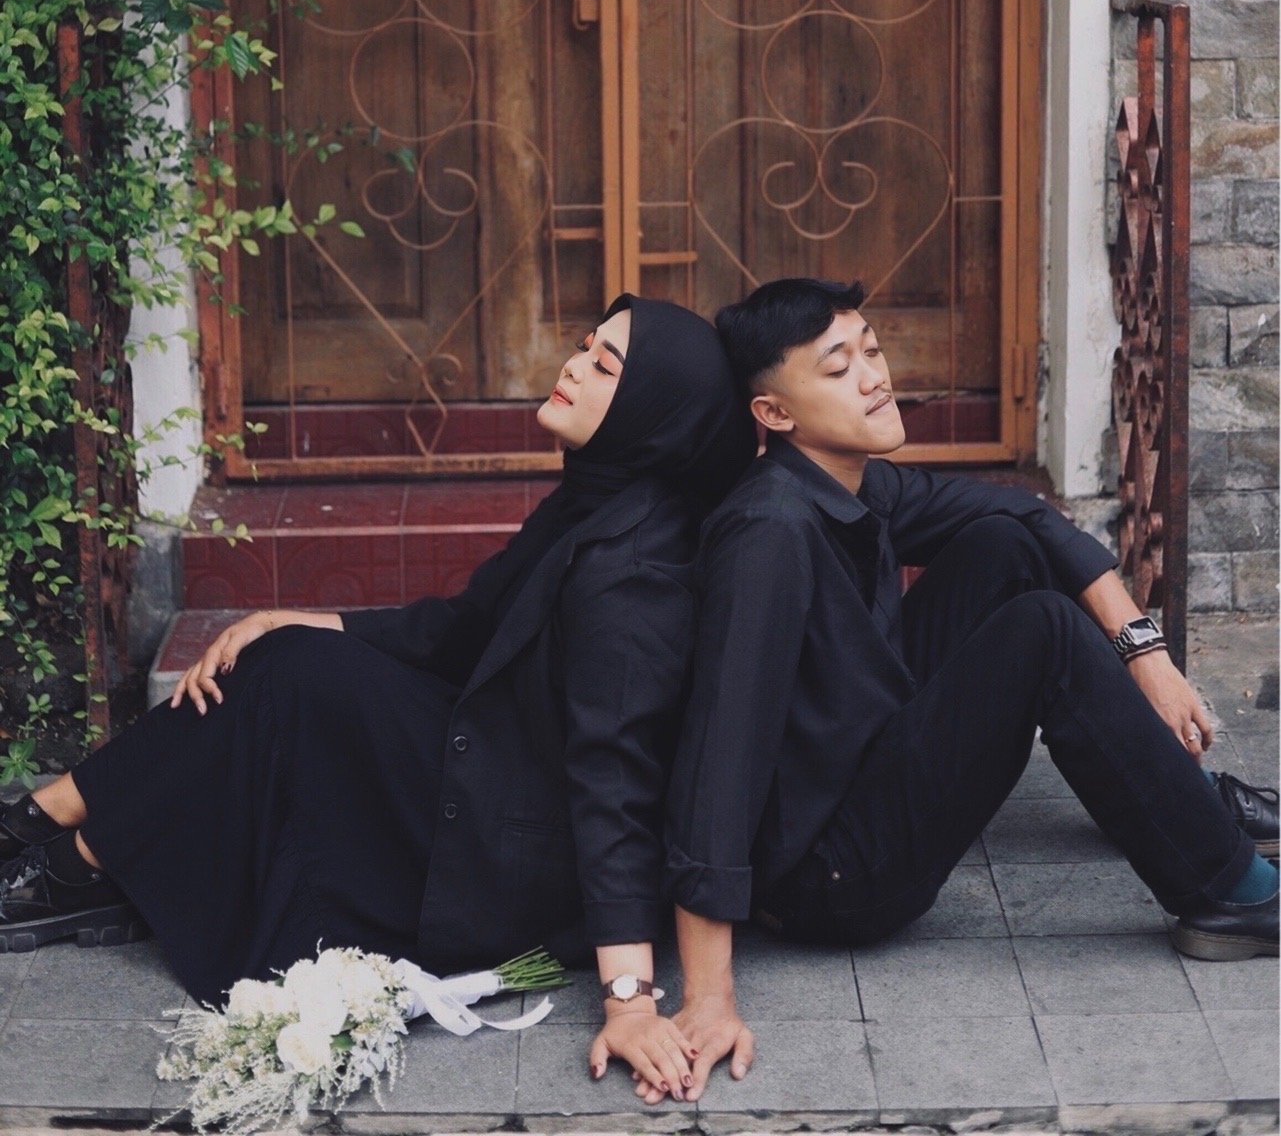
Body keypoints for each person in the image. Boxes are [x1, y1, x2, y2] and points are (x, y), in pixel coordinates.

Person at [0, 295, 756, 1100]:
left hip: (524, 856)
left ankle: (67, 847)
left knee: (290, 679)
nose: (572, 366)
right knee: (287, 658)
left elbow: (616, 780)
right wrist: (294, 617)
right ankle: (60, 827)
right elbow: (463, 629)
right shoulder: (599, 499)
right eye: (583, 345)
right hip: (500, 770)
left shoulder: (632, 576)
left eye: (604, 366)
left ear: (651, 414)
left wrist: (629, 1001)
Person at [655, 277, 1279, 1107]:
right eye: (837, 369)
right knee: (1042, 633)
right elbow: (719, 758)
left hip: (862, 755)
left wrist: (1146, 653)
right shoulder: (767, 534)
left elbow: (1024, 517)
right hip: (830, 876)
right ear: (774, 413)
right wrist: (706, 994)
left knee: (999, 544)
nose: (874, 377)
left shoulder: (848, 481)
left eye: (871, 349)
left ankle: (1173, 798)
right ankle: (1230, 894)